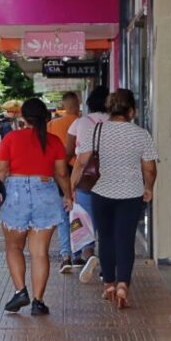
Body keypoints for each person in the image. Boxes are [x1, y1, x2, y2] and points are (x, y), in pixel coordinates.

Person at [71, 89, 157, 309]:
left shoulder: (96, 131)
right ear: (132, 111)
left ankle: (108, 283)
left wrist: (71, 188)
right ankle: (123, 285)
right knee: (125, 240)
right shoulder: (141, 134)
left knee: (106, 238)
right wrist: (149, 187)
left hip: (101, 192)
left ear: (110, 109)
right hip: (131, 194)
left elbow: (81, 162)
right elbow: (149, 168)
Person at [0, 98, 73, 315]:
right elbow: (62, 173)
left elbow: (0, 171)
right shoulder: (54, 141)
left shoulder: (11, 139)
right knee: (40, 253)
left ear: (23, 117)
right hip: (46, 191)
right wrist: (68, 195)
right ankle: (38, 301)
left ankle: (21, 291)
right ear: (46, 118)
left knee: (13, 247)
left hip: (15, 193)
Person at [66, 86, 109, 282]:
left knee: (84, 221)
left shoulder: (80, 123)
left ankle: (88, 253)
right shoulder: (116, 123)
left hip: (86, 178)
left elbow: (74, 156)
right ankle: (107, 268)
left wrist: (70, 186)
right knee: (108, 225)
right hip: (111, 179)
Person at [47, 91, 80, 273]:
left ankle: (66, 254)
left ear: (63, 105)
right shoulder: (84, 123)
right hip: (80, 174)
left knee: (63, 217)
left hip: (60, 174)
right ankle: (80, 252)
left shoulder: (52, 125)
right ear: (78, 103)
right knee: (79, 215)